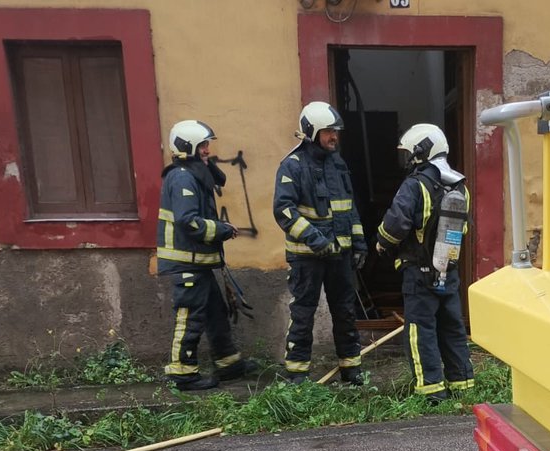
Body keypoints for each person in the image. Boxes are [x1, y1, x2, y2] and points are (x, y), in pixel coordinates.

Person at [375, 124, 474, 403]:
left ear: (421, 151)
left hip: (418, 274)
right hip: (448, 271)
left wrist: (381, 243)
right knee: (452, 326)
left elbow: (395, 225)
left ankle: (431, 391)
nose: (408, 158)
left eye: (411, 152)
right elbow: (463, 230)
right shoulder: (460, 186)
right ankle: (463, 384)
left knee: (421, 330)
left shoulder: (415, 184)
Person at [272, 102, 367, 385]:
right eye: (328, 132)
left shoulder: (337, 163)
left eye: (335, 132)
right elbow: (284, 211)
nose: (333, 137)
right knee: (303, 313)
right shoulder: (292, 166)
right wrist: (316, 240)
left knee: (345, 312)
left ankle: (351, 369)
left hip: (339, 255)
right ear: (312, 132)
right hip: (307, 258)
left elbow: (349, 207)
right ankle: (297, 374)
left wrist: (359, 242)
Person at [157, 119, 255, 391]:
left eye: (207, 144)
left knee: (215, 313)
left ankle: (228, 364)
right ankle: (182, 374)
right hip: (186, 263)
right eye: (202, 145)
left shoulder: (193, 174)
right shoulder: (182, 177)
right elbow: (188, 221)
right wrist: (222, 229)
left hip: (198, 263)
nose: (207, 150)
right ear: (187, 147)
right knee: (190, 316)